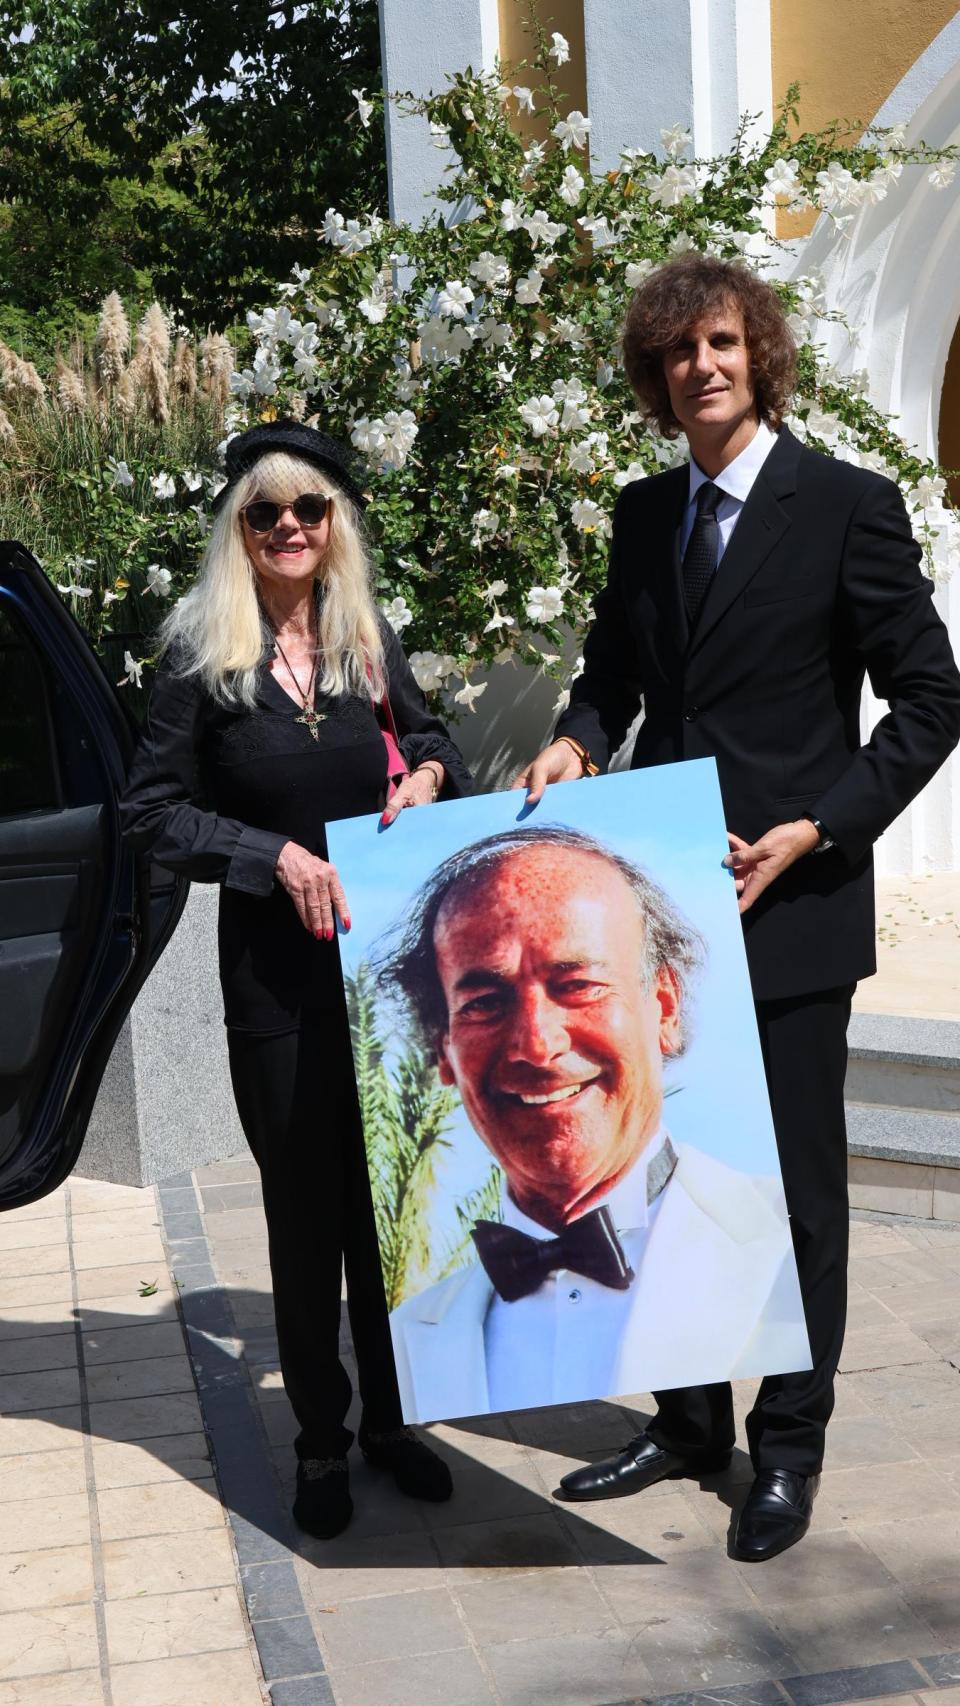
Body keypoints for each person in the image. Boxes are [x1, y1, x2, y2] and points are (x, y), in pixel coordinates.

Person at [513, 254, 960, 1562]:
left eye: (718, 341)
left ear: (758, 351)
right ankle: (692, 1418)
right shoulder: (647, 514)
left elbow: (933, 699)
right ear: (655, 381)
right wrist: (575, 743)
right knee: (667, 1176)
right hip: (661, 902)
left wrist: (821, 822)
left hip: (797, 901)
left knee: (799, 1196)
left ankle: (792, 1444)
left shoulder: (848, 506)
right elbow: (612, 673)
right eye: (673, 354)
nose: (698, 366)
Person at [120, 419, 473, 1540]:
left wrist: (422, 774)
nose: (288, 527)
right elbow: (148, 813)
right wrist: (267, 857)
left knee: (388, 1201)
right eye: (265, 511)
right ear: (238, 528)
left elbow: (438, 739)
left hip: (385, 978)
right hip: (275, 980)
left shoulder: (365, 640)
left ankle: (391, 1422)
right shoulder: (201, 659)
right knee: (306, 1206)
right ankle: (322, 1434)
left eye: (309, 510)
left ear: (334, 526)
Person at [381, 825, 810, 1424]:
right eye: (484, 1002)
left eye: (577, 985)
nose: (537, 1045)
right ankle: (686, 1433)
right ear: (441, 1049)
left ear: (663, 1008)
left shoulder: (785, 1240)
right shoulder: (409, 1335)